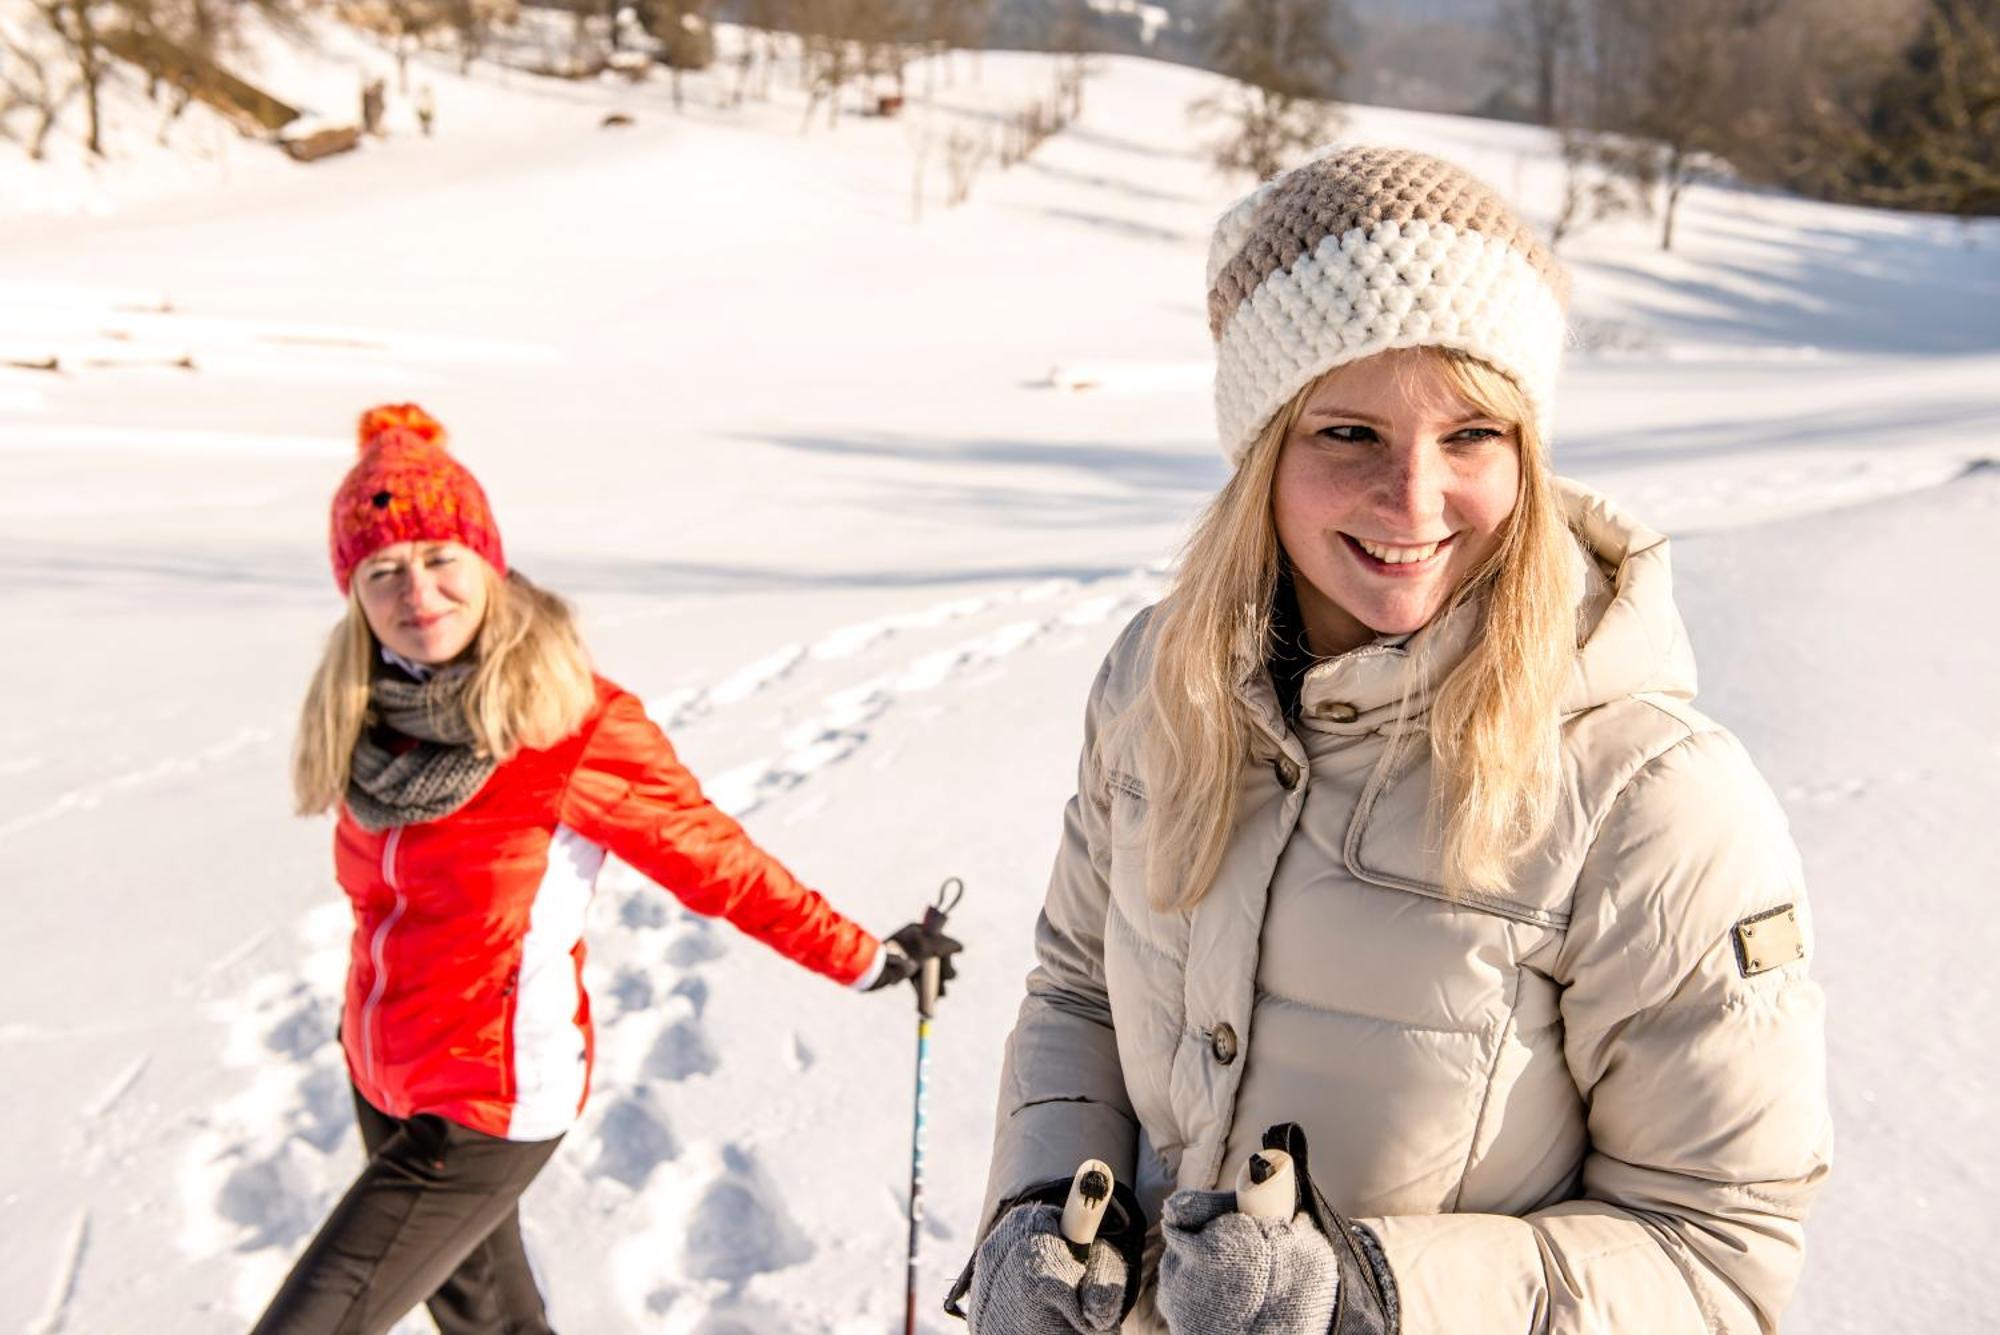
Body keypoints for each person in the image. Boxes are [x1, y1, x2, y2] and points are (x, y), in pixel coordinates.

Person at [954, 147, 1830, 1334]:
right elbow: (1077, 993)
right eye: (1348, 433)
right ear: (1261, 450)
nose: (1413, 501)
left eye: (1470, 434)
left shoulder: (1650, 796)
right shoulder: (1156, 686)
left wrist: (1372, 1297)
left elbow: (1715, 1253)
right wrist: (1046, 1200)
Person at [254, 404, 961, 1335]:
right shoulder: (368, 717)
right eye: (383, 569)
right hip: (383, 1076)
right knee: (494, 1326)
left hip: (489, 1099)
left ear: (487, 561)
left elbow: (722, 863)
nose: (416, 591)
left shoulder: (573, 725)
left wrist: (868, 957)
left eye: (438, 558)